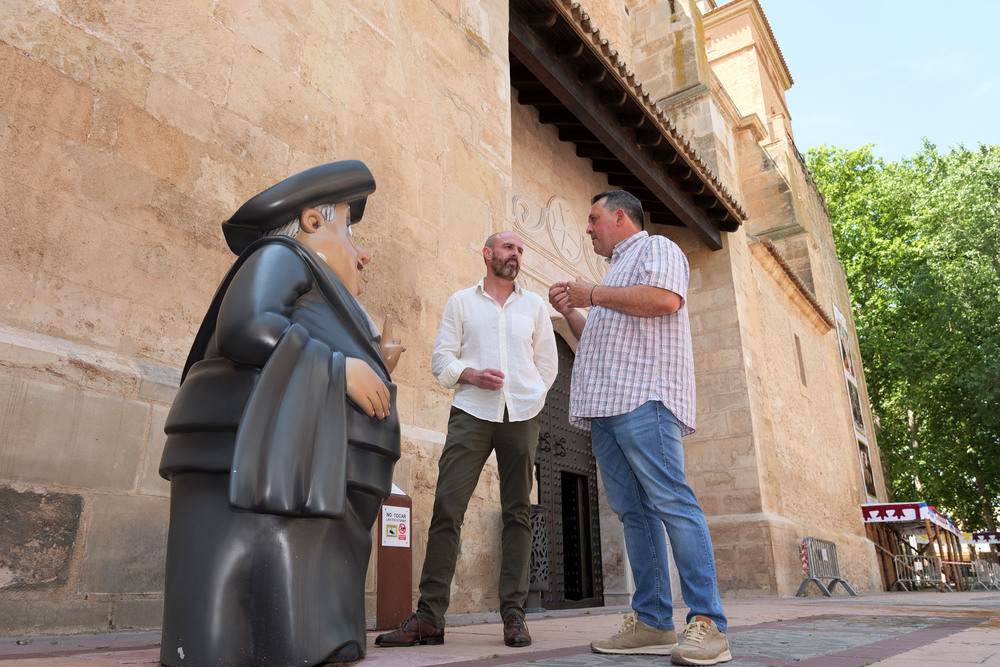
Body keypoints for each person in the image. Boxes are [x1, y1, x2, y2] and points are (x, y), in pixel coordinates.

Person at [158, 161, 405, 667]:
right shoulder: (281, 255)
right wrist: (341, 369)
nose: (364, 254)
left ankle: (311, 640)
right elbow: (248, 327)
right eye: (350, 230)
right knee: (239, 587)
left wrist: (373, 364)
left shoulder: (322, 287)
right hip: (251, 453)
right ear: (313, 222)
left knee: (295, 573)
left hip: (301, 465)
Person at [548, 190, 731, 666]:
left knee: (673, 500)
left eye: (593, 219)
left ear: (620, 217)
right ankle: (651, 623)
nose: (588, 227)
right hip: (608, 407)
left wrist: (594, 294)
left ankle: (709, 624)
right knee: (635, 513)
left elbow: (666, 300)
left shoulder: (657, 250)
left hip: (645, 400)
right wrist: (574, 310)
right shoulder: (615, 275)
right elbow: (600, 340)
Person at [375, 231, 557, 649]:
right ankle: (429, 618)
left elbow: (547, 364)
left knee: (519, 513)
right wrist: (472, 375)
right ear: (488, 253)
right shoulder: (461, 301)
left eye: (520, 250)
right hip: (472, 412)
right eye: (509, 248)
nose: (516, 255)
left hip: (522, 415)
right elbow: (441, 359)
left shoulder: (534, 306)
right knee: (447, 508)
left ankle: (514, 613)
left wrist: (530, 394)